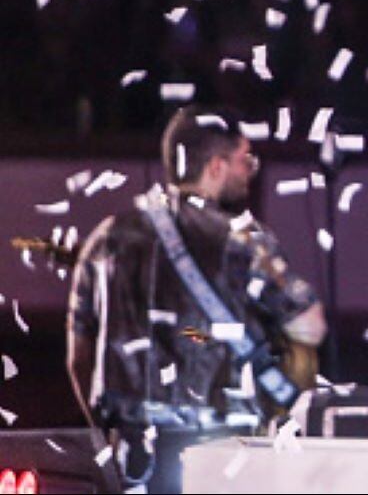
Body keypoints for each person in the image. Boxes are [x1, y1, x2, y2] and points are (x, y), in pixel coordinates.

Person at [66, 106, 325, 493]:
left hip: (133, 456)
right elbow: (310, 324)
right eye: (244, 160)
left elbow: (79, 357)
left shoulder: (106, 237)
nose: (249, 171)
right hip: (222, 454)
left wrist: (108, 437)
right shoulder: (243, 240)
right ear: (216, 166)